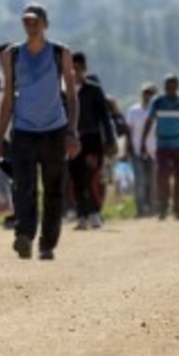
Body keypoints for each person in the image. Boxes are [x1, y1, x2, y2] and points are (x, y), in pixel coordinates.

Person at [0, 3, 79, 260]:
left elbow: (72, 96)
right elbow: (7, 100)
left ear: (45, 24)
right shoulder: (12, 55)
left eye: (35, 21)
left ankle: (47, 243)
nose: (31, 26)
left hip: (54, 129)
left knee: (53, 189)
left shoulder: (61, 53)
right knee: (23, 186)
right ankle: (24, 235)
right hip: (24, 129)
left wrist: (72, 132)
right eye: (27, 22)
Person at [69, 53, 118, 230]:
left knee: (91, 177)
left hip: (92, 139)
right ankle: (82, 215)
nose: (74, 72)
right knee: (76, 179)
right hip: (71, 140)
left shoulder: (94, 90)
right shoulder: (62, 91)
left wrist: (110, 141)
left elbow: (104, 118)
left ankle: (95, 213)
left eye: (78, 68)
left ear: (84, 69)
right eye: (71, 68)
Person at [141, 74, 179, 221]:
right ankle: (163, 208)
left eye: (173, 86)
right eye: (168, 86)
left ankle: (178, 209)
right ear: (164, 87)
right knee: (162, 178)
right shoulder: (158, 102)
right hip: (163, 145)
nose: (170, 89)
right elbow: (149, 121)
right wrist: (143, 141)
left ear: (177, 86)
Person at [125, 83, 158, 217]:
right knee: (140, 180)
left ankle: (152, 208)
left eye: (151, 93)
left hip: (154, 151)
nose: (148, 96)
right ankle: (140, 209)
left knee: (153, 181)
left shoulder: (157, 112)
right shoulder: (133, 111)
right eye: (146, 93)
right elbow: (129, 130)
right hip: (137, 151)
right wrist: (129, 147)